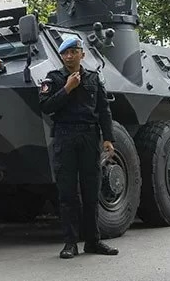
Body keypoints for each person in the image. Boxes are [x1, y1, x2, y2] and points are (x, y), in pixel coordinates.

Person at [39, 37, 119, 259]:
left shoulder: (93, 78)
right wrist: (66, 88)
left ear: (82, 55)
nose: (69, 56)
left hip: (89, 137)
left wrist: (108, 138)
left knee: (91, 191)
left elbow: (104, 109)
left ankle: (93, 241)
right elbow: (46, 106)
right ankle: (70, 243)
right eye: (65, 53)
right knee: (67, 193)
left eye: (74, 52)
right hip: (65, 136)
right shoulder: (53, 79)